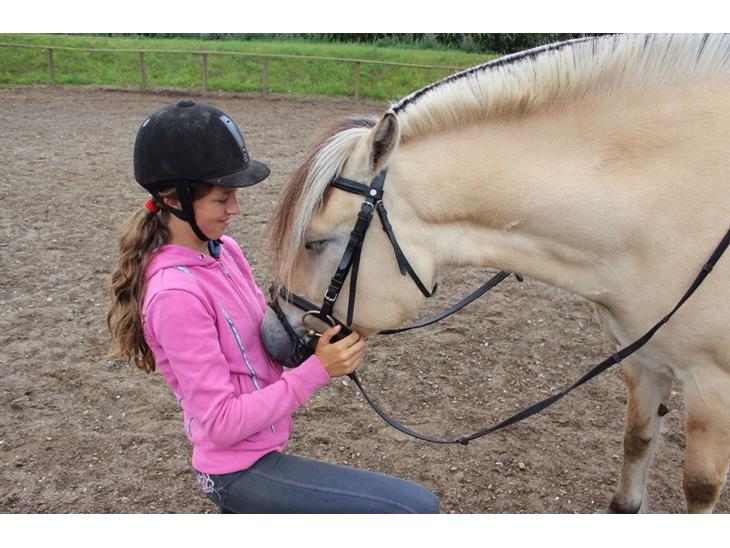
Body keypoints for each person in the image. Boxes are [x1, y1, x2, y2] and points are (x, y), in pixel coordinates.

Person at [106, 98, 439, 514]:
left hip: (263, 450)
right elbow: (221, 423)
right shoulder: (175, 295)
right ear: (176, 200)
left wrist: (319, 340)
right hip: (236, 470)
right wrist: (318, 372)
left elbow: (254, 351)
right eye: (222, 199)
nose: (235, 209)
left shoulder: (224, 251)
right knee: (415, 510)